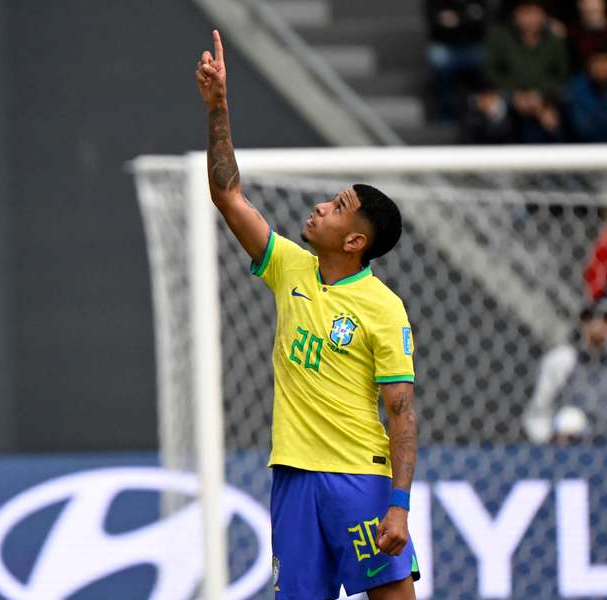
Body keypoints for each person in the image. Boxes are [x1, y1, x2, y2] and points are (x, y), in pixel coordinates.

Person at [196, 31, 421, 599]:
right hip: (292, 479)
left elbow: (401, 412)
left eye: (339, 207)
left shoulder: (383, 307)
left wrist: (399, 506)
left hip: (358, 479)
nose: (322, 206)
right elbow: (228, 196)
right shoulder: (290, 267)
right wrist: (219, 107)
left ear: (355, 241)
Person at [523, 299, 607, 443]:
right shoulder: (561, 359)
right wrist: (549, 439)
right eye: (591, 317)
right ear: (582, 322)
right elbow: (538, 412)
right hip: (571, 450)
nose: (599, 324)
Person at [484, 0, 571, 122]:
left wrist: (541, 96)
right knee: (491, 107)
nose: (530, 19)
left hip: (545, 97)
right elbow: (491, 72)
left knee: (565, 103)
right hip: (508, 96)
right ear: (515, 14)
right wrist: (514, 94)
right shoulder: (499, 36)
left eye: (534, 13)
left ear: (544, 15)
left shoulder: (555, 39)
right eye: (525, 13)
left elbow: (562, 75)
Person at [425, 0, 489, 122]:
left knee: (485, 57)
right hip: (446, 46)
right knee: (437, 57)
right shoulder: (435, 3)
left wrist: (457, 20)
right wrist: (468, 17)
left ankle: (478, 113)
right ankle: (446, 112)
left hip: (472, 47)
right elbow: (434, 26)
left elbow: (483, 24)